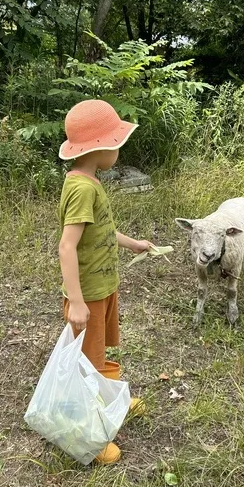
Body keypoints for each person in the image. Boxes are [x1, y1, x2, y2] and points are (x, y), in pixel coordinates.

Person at [58, 99, 153, 464]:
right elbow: (67, 246)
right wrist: (78, 302)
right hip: (89, 295)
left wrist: (133, 244)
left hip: (104, 287)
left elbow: (104, 230)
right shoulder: (82, 188)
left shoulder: (89, 181)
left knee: (101, 352)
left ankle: (114, 398)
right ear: (100, 148)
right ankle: (90, 435)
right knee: (87, 362)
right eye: (115, 144)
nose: (118, 150)